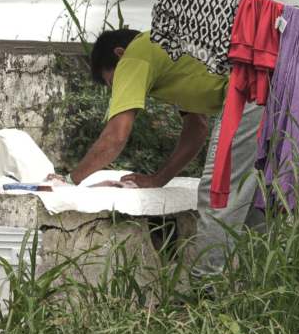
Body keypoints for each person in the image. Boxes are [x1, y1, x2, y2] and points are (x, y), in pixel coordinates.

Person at [49, 28, 265, 274]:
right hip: (272, 82)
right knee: (258, 194)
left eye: (114, 82)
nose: (120, 89)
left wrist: (68, 180)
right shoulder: (167, 59)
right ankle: (264, 283)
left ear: (121, 54)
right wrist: (157, 180)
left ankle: (206, 292)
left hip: (251, 88)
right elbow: (197, 128)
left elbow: (115, 137)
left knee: (218, 189)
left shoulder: (135, 54)